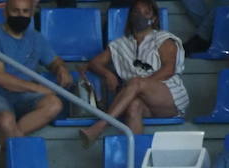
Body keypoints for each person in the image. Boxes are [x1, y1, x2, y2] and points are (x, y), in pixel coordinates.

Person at [78, 0, 186, 145]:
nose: (140, 16)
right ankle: (136, 159)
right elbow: (94, 63)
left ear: (153, 18)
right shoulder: (120, 43)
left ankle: (100, 126)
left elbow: (169, 69)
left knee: (136, 82)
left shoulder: (164, 39)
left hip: (169, 96)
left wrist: (141, 85)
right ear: (130, 16)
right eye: (136, 12)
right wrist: (107, 74)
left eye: (146, 13)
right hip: (139, 98)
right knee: (133, 106)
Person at [0, 0, 71, 149]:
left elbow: (54, 61)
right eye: (15, 11)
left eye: (25, 12)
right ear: (5, 12)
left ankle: (0, 142)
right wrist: (37, 88)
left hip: (21, 96)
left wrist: (61, 68)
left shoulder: (36, 37)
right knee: (6, 119)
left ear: (31, 13)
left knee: (54, 104)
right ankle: (18, 167)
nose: (20, 15)